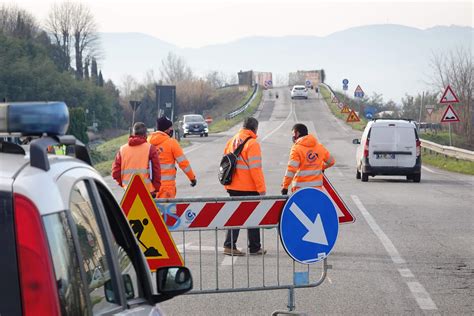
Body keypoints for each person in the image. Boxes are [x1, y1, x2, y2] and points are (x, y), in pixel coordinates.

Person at [222, 117, 266, 256]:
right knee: (253, 216)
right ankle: (253, 247)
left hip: (233, 185)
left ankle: (230, 244)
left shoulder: (232, 140)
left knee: (236, 215)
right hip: (248, 187)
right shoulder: (252, 144)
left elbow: (225, 161)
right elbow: (255, 169)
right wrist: (261, 189)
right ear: (255, 129)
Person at [148, 116, 197, 198]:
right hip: (166, 188)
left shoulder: (148, 143)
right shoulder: (172, 143)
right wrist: (192, 178)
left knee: (151, 211)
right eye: (170, 127)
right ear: (166, 129)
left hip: (150, 188)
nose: (171, 129)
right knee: (167, 211)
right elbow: (183, 163)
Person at [281, 123, 335, 195]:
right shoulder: (319, 147)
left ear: (297, 133)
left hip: (300, 191)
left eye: (293, 134)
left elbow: (291, 170)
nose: (293, 137)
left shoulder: (296, 148)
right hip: (317, 190)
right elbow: (331, 161)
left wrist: (285, 186)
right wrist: (321, 167)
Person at [112, 122, 161, 196]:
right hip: (147, 191)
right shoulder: (150, 148)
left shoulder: (122, 149)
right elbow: (156, 170)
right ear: (145, 134)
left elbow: (115, 173)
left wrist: (123, 184)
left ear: (133, 133)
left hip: (129, 191)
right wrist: (156, 188)